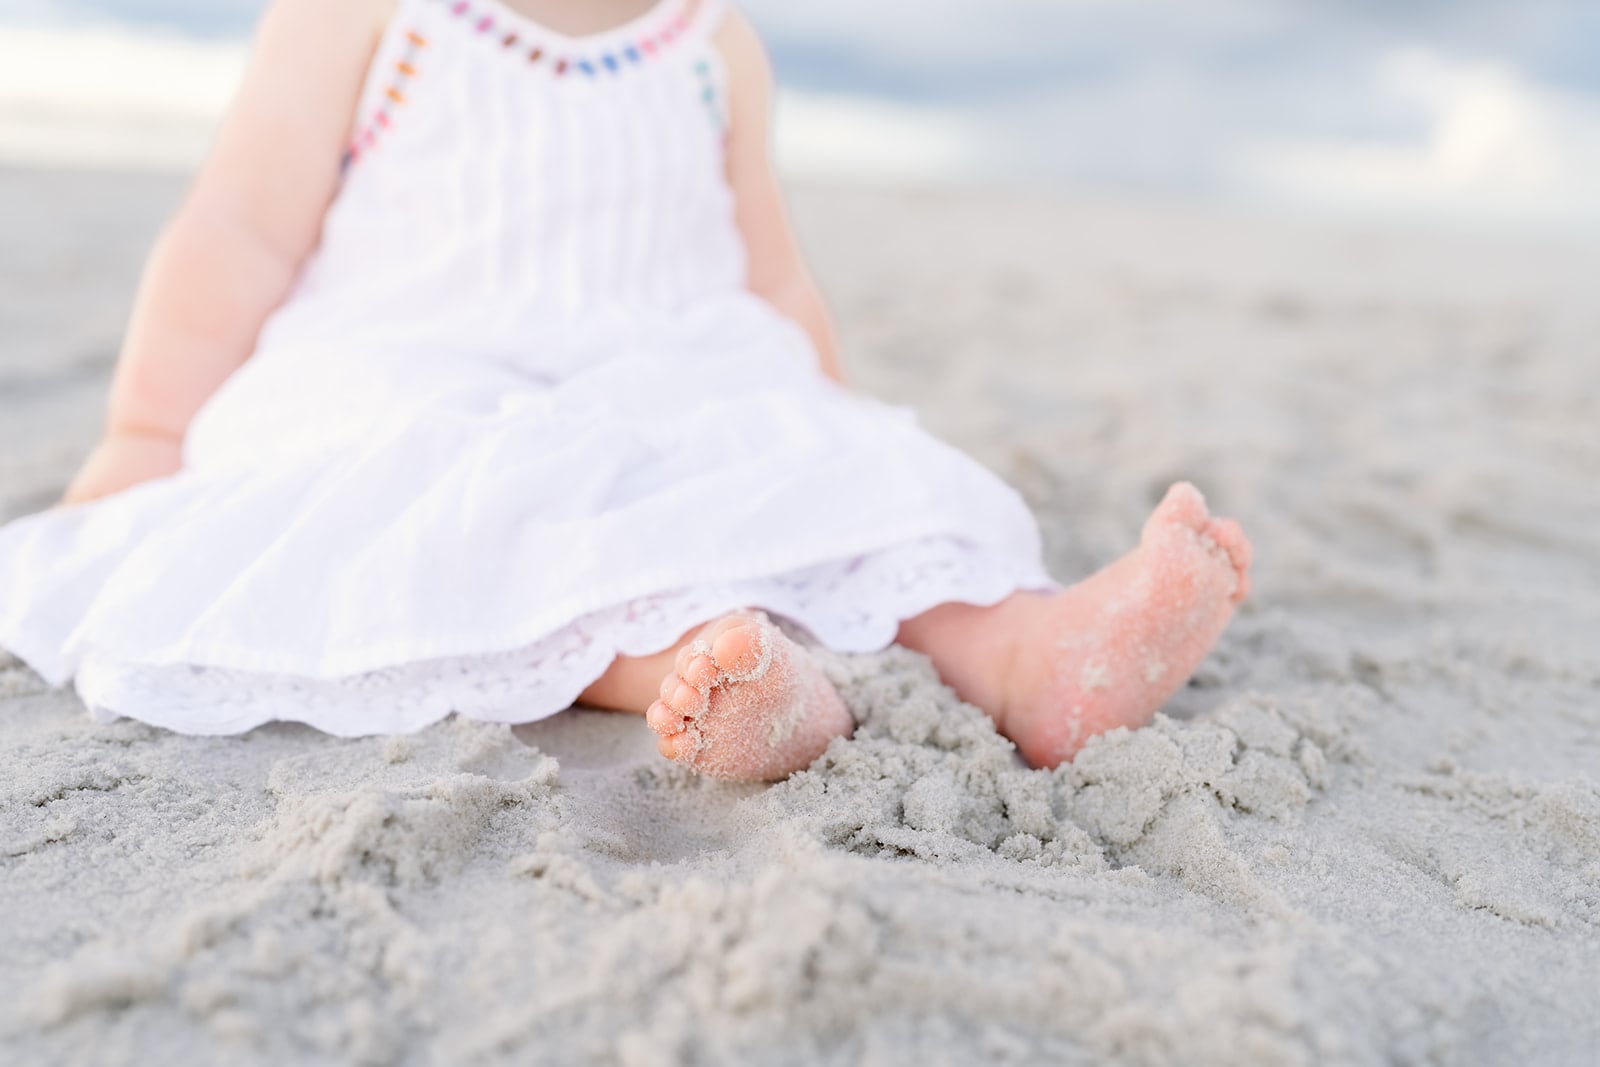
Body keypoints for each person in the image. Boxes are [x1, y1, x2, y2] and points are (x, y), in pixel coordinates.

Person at [0, 0, 1253, 781]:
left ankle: (1029, 653)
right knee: (501, 514)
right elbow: (235, 231)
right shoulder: (365, 13)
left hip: (675, 369)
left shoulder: (713, 44)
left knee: (858, 482)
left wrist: (829, 438)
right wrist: (148, 426)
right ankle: (707, 677)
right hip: (419, 366)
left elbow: (768, 270)